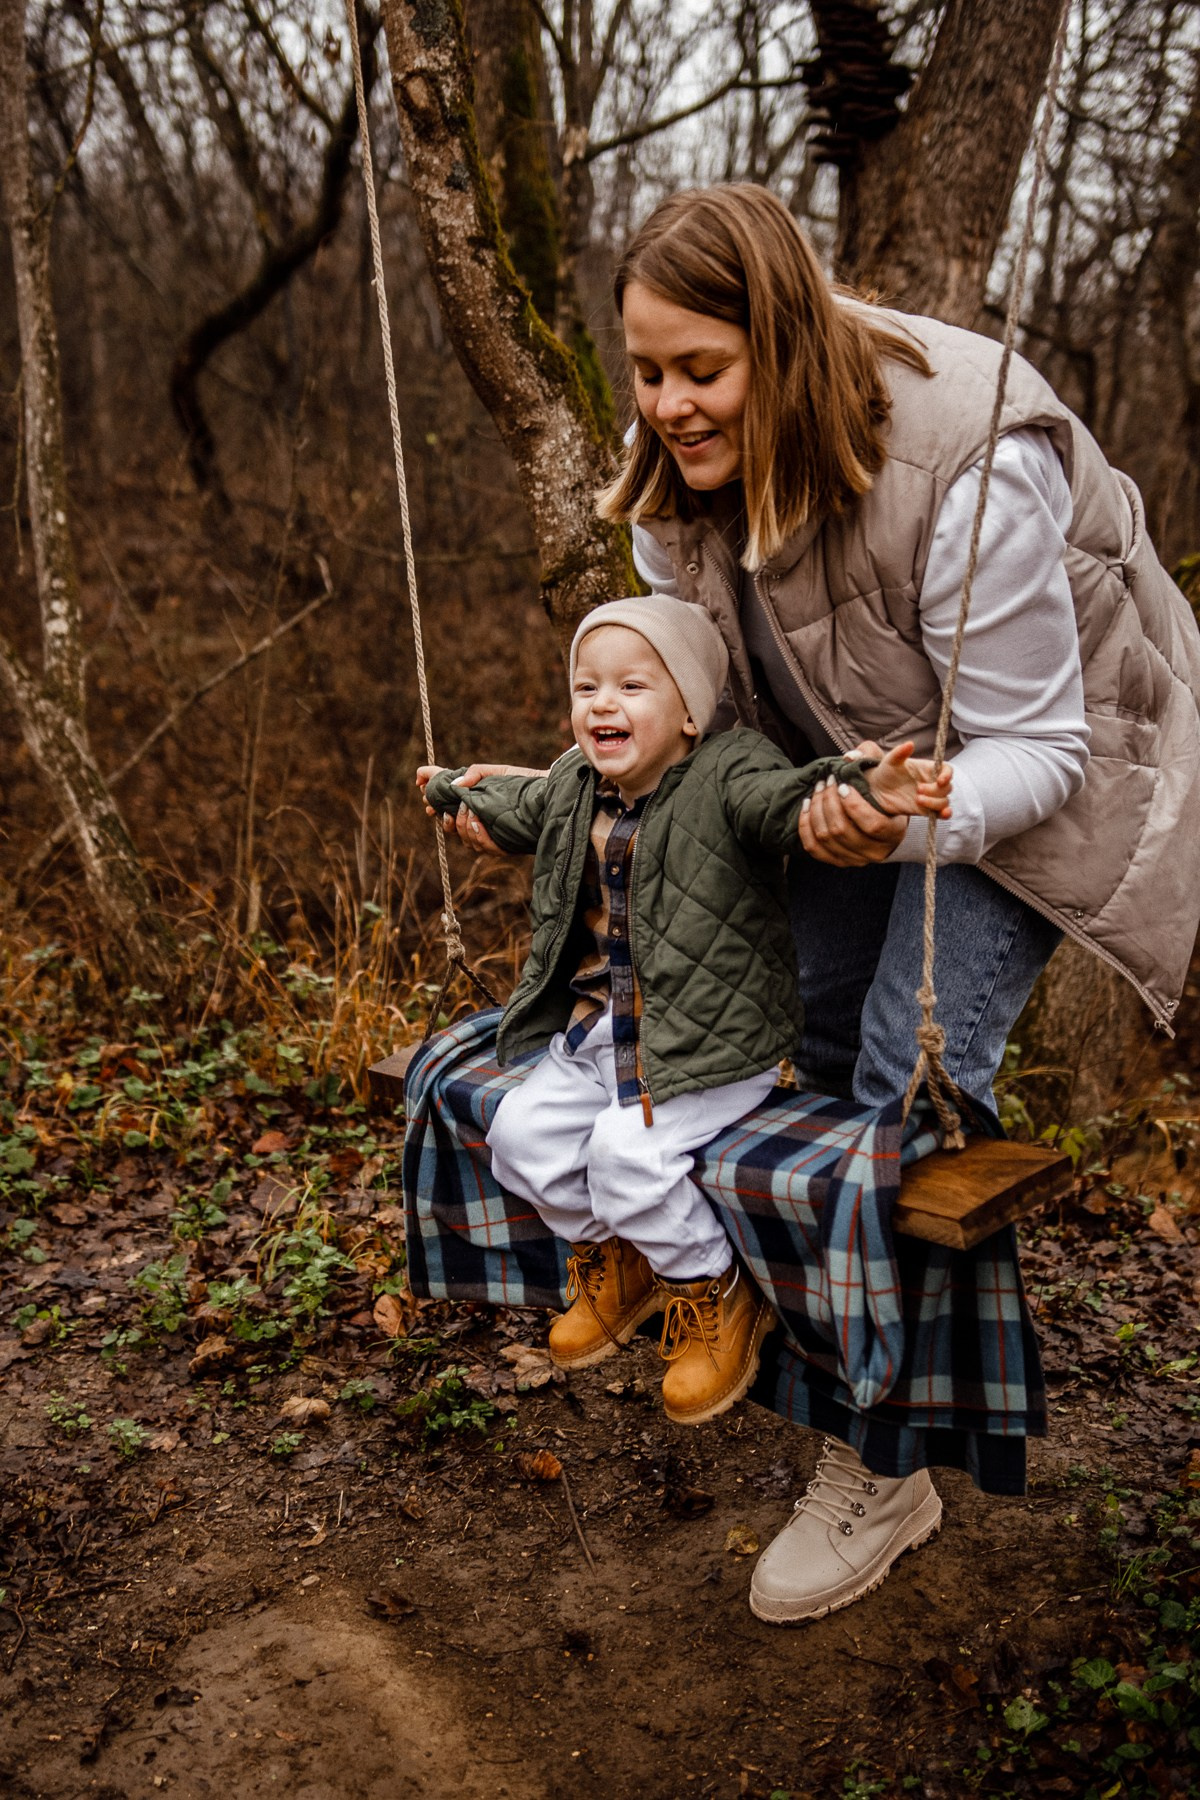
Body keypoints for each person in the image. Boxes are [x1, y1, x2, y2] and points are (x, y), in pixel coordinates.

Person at [440, 183, 1200, 1624]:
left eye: (699, 370)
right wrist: (582, 804)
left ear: (782, 339)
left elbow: (1041, 751)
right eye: (646, 369)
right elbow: (699, 678)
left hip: (1043, 773)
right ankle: (748, 1319)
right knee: (774, 1051)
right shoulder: (674, 454)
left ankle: (879, 1465)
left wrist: (907, 821)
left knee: (895, 1097)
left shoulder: (973, 470)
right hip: (842, 771)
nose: (664, 403)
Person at [417, 595, 950, 1427]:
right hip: (600, 1037)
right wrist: (457, 792)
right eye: (587, 686)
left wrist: (862, 786)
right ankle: (620, 1258)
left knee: (626, 1157)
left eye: (632, 685)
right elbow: (516, 812)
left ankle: (716, 1292)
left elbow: (788, 799)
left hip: (710, 1046)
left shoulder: (728, 773)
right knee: (520, 1137)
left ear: (691, 711)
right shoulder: (572, 782)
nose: (603, 704)